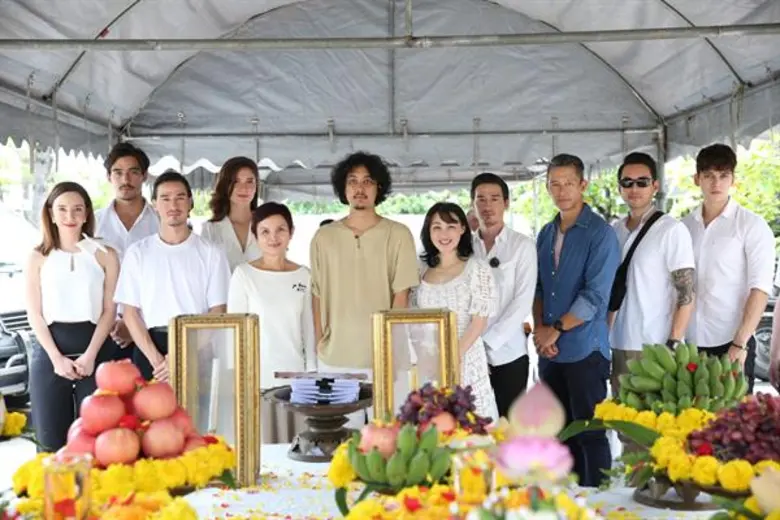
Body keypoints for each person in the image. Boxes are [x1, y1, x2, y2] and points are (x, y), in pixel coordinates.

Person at [310, 151, 419, 426]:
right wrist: (321, 340)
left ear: (379, 187)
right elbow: (317, 292)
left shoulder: (398, 234)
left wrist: (390, 348)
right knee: (341, 442)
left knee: (389, 441)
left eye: (368, 181)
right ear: (343, 188)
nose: (360, 188)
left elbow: (401, 294)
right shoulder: (324, 237)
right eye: (353, 181)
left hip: (385, 356)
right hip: (336, 357)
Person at [533, 153, 620, 487]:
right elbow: (539, 286)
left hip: (586, 350)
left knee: (589, 433)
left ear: (583, 184)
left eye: (569, 182)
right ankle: (568, 505)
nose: (562, 190)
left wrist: (553, 331)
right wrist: (542, 333)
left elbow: (595, 296)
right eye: (554, 184)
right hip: (551, 352)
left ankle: (598, 505)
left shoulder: (600, 234)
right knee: (558, 434)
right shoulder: (545, 233)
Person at [25, 182, 120, 451]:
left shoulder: (106, 255)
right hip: (50, 350)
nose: (70, 217)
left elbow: (109, 310)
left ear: (87, 214)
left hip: (96, 348)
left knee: (99, 438)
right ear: (51, 214)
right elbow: (34, 312)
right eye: (63, 209)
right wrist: (56, 358)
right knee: (50, 439)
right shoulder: (37, 257)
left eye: (78, 209)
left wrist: (90, 356)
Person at [114, 170, 231, 381]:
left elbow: (218, 312)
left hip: (197, 347)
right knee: (149, 413)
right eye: (165, 199)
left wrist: (180, 356)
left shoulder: (212, 252)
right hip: (150, 348)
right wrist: (158, 361)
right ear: (154, 204)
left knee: (196, 414)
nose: (173, 205)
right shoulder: (138, 252)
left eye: (180, 198)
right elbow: (130, 313)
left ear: (190, 202)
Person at [682, 144, 776, 394]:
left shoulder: (751, 226)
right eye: (709, 176)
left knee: (731, 427)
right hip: (687, 343)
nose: (716, 183)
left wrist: (740, 343)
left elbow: (760, 288)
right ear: (696, 179)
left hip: (732, 342)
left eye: (724, 176)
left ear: (733, 180)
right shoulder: (683, 227)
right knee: (689, 426)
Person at [227, 202, 316, 443]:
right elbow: (235, 335)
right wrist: (240, 378)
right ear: (255, 236)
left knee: (300, 448)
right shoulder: (244, 274)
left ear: (291, 233)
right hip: (258, 380)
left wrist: (311, 375)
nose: (273, 237)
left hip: (296, 383)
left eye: (280, 230)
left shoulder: (304, 275)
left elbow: (309, 329)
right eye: (265, 231)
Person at [609, 153, 695, 396]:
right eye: (627, 182)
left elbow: (687, 294)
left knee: (654, 428)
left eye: (642, 182)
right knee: (623, 424)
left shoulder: (671, 230)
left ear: (655, 186)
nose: (634, 188)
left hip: (655, 346)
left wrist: (673, 343)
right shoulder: (614, 231)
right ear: (619, 188)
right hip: (618, 342)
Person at [413, 202, 499, 421]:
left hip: (466, 357)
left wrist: (451, 359)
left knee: (472, 427)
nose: (444, 233)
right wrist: (428, 359)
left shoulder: (477, 269)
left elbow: (478, 323)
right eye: (437, 227)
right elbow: (412, 321)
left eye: (451, 226)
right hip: (429, 360)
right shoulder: (419, 270)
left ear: (463, 228)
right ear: (428, 231)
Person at [470, 173, 536, 418]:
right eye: (481, 199)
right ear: (473, 203)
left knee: (509, 428)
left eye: (495, 198)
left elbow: (522, 302)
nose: (488, 206)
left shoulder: (522, 245)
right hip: (470, 356)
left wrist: (486, 345)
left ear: (506, 203)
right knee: (475, 426)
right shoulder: (465, 247)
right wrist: (472, 349)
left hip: (509, 353)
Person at [95, 142, 160, 360]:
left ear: (144, 176)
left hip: (151, 329)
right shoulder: (93, 223)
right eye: (118, 172)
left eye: (133, 172)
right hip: (103, 330)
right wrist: (113, 321)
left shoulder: (163, 222)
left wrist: (133, 323)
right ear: (108, 177)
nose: (125, 180)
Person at [201, 156, 263, 272]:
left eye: (250, 181)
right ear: (225, 186)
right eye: (235, 181)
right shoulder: (211, 230)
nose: (244, 188)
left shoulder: (267, 225)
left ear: (256, 186)